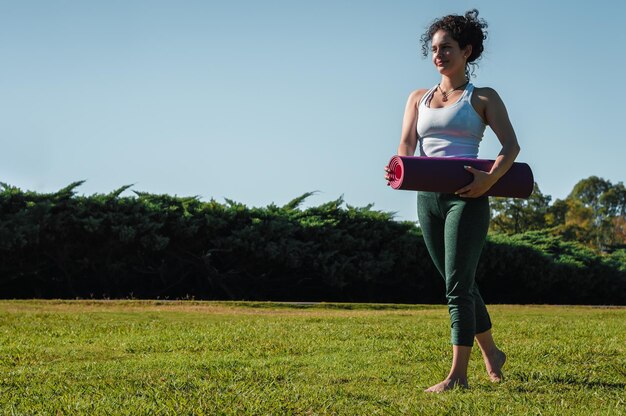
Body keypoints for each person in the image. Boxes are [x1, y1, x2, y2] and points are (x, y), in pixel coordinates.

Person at [385, 9, 519, 393]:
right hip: (427, 198)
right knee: (457, 280)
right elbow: (407, 144)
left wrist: (489, 181)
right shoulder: (417, 98)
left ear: (467, 51)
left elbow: (511, 146)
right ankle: (493, 353)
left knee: (457, 287)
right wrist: (399, 168)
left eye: (447, 47)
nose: (438, 54)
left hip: (468, 196)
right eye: (434, 48)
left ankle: (458, 375)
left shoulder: (483, 97)